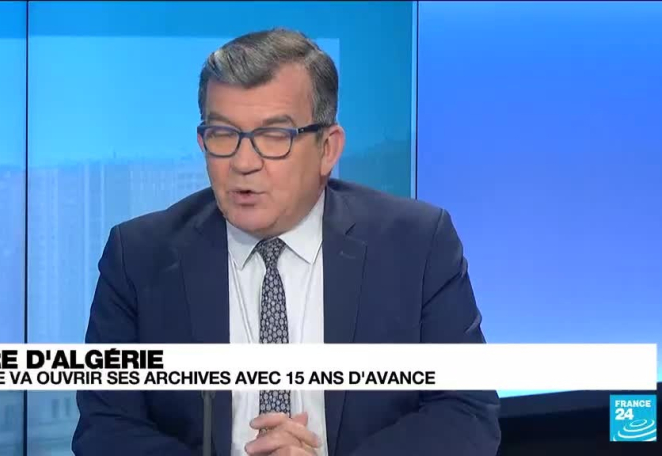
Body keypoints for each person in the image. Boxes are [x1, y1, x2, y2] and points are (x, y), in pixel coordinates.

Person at [72, 28, 500, 456]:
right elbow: (105, 428)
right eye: (223, 134)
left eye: (274, 136)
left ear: (327, 148)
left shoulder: (417, 245)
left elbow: (465, 413)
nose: (243, 162)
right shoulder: (139, 257)